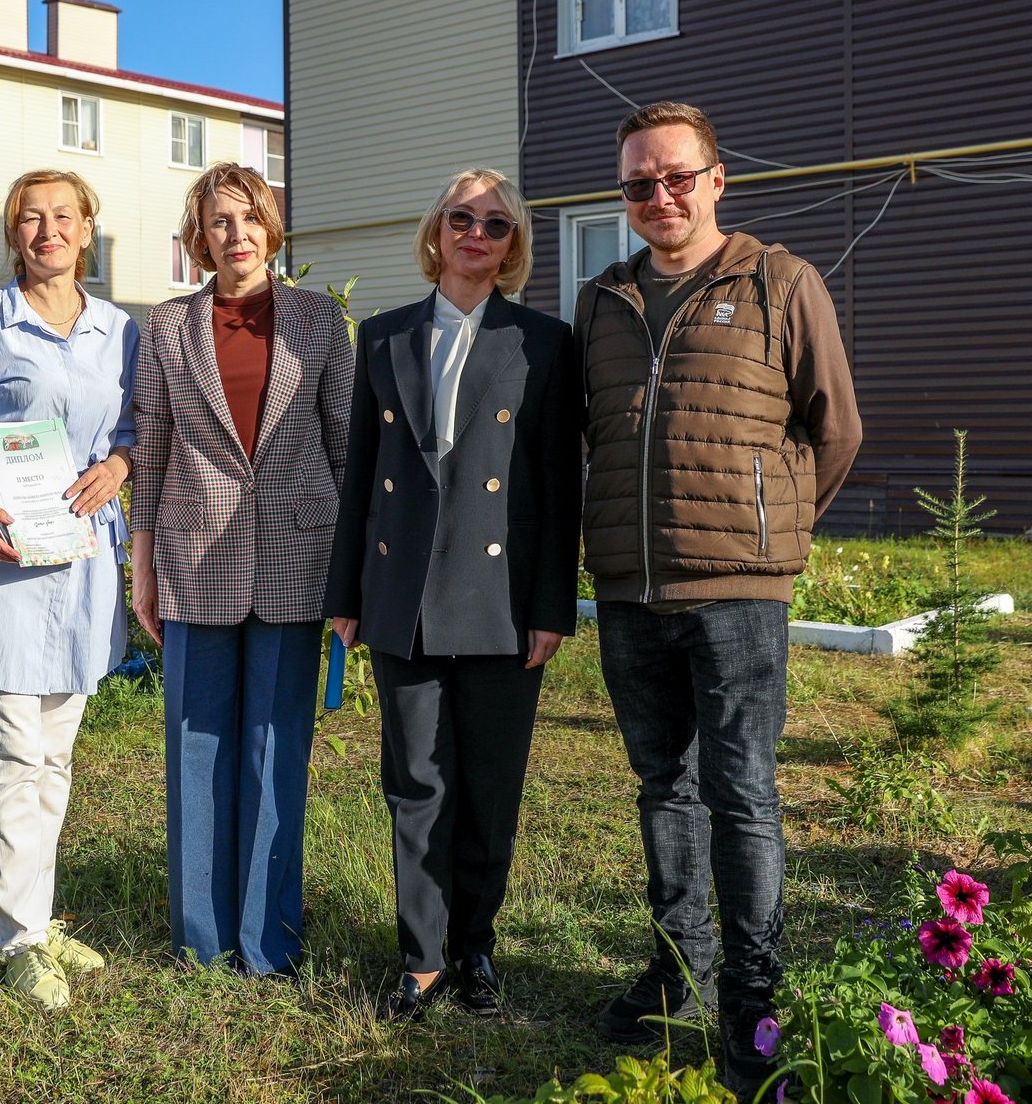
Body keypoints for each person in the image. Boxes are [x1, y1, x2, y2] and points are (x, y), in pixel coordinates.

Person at [574, 101, 862, 1095]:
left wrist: (768, 533)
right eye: (638, 184)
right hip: (625, 588)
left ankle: (751, 992)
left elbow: (834, 430)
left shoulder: (780, 282)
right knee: (664, 789)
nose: (658, 196)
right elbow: (589, 435)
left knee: (740, 794)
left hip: (737, 593)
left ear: (715, 177)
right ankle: (677, 965)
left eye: (675, 177)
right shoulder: (600, 297)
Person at [324, 168, 583, 1022]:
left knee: (491, 785)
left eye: (497, 225)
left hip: (503, 598)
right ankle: (423, 957)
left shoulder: (542, 342)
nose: (478, 233)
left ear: (514, 248)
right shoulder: (386, 336)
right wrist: (347, 591)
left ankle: (477, 948)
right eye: (462, 218)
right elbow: (360, 473)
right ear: (436, 230)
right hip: (402, 593)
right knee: (416, 784)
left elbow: (557, 485)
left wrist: (552, 605)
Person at [130, 163, 352, 976]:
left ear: (273, 227)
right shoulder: (166, 325)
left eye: (251, 218)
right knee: (196, 749)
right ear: (199, 239)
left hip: (299, 557)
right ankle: (201, 940)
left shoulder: (318, 320)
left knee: (274, 747)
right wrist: (142, 567)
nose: (238, 235)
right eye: (220, 222)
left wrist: (350, 576)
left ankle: (269, 943)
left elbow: (347, 446)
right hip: (194, 561)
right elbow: (151, 448)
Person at [0, 169, 137, 1010]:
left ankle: (38, 922)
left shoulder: (121, 330)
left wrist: (119, 465)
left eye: (62, 217)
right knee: (14, 759)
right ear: (15, 235)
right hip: (3, 567)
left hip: (82, 568)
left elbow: (130, 434)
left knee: (55, 761)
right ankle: (18, 942)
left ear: (88, 230)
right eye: (29, 219)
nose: (46, 231)